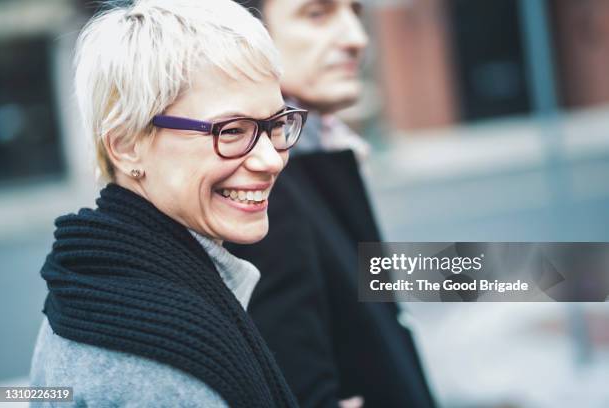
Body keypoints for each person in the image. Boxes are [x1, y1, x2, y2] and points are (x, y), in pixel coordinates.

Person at [28, 1, 307, 407]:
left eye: (276, 125)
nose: (270, 159)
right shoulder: (157, 365)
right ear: (126, 146)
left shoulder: (84, 285)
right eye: (231, 131)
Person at [227, 1, 437, 407]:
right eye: (316, 14)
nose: (356, 38)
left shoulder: (319, 154)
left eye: (354, 12)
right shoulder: (262, 188)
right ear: (244, 33)